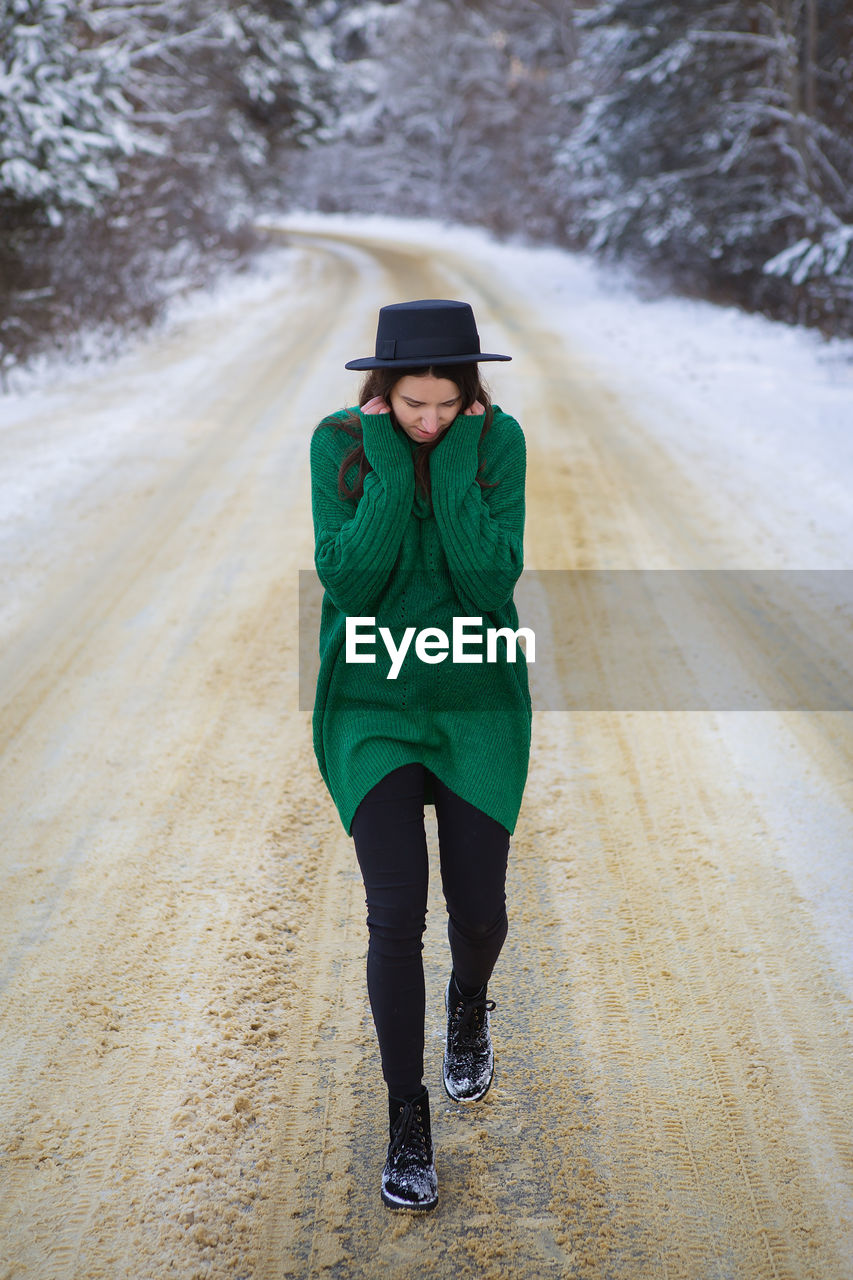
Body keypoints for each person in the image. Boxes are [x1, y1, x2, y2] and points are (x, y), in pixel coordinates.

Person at [310, 298, 532, 1211]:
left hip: (475, 696)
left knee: (477, 915)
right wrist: (396, 466)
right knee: (393, 914)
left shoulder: (499, 442)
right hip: (371, 700)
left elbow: (489, 582)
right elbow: (352, 583)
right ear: (382, 393)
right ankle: (407, 1119)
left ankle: (469, 1003)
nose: (431, 421)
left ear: (469, 391)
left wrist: (448, 469)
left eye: (445, 405)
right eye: (412, 407)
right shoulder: (338, 444)